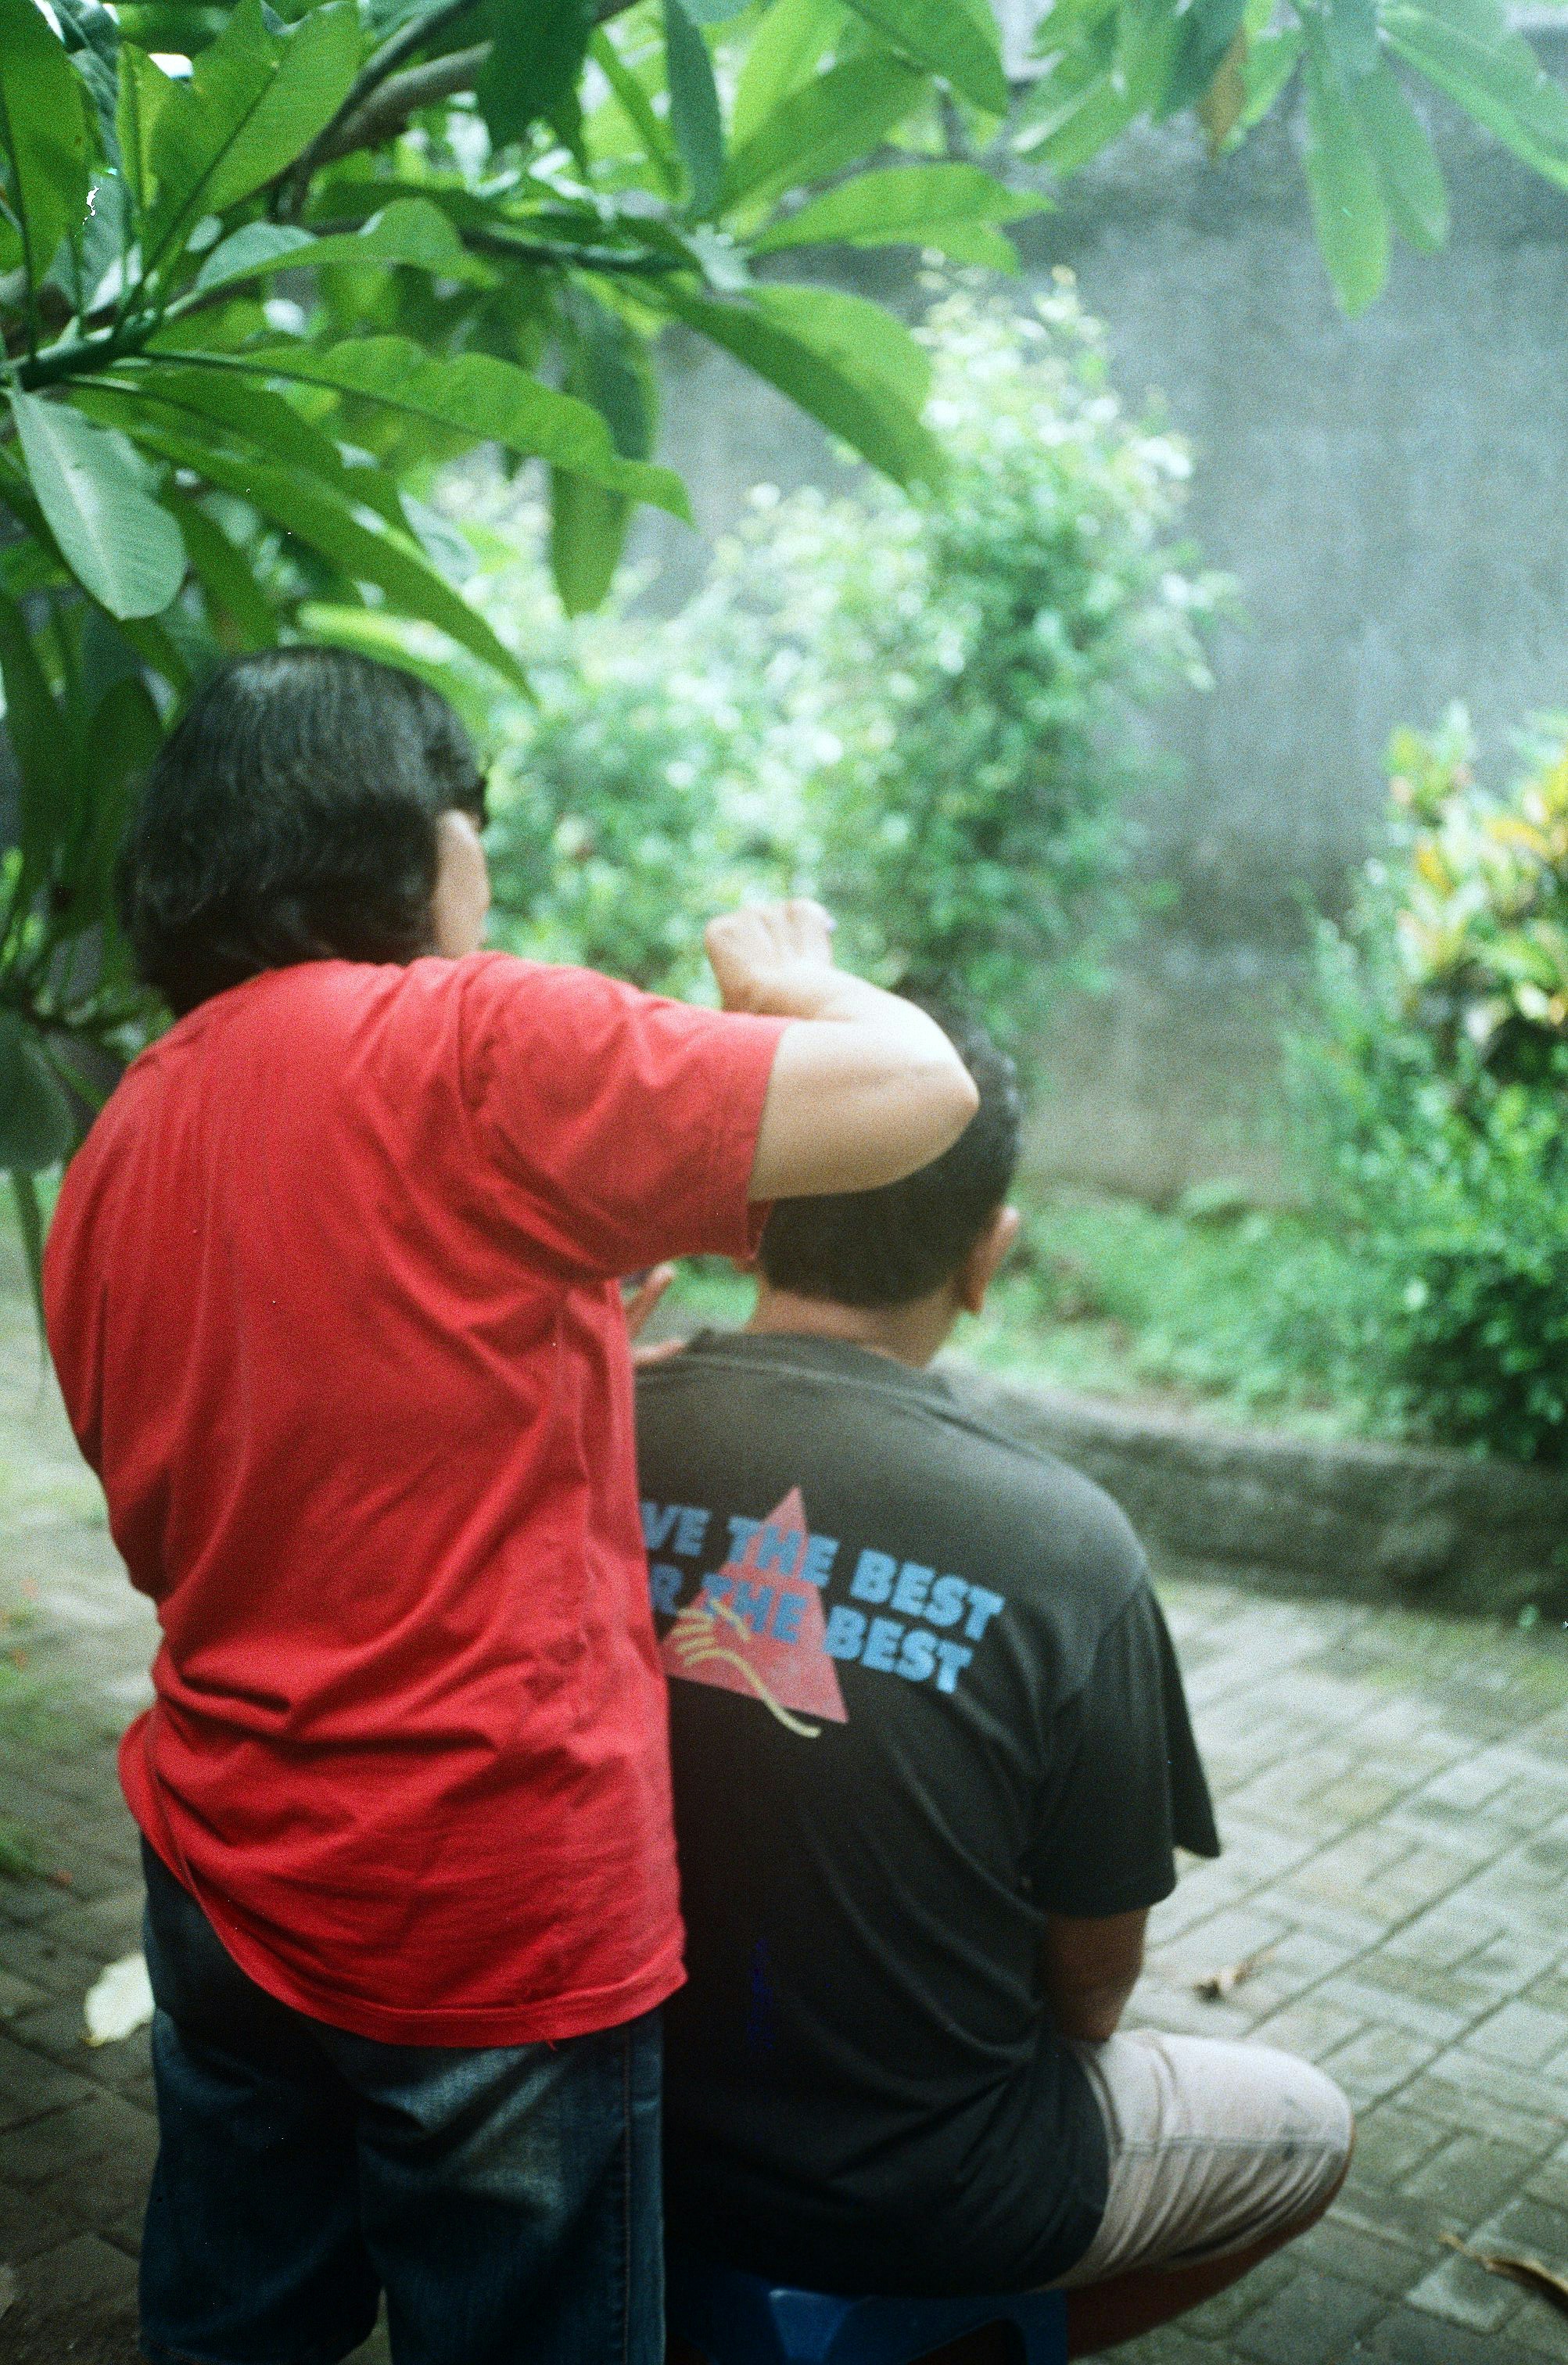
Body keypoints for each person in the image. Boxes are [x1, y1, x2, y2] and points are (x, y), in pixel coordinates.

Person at [41, 646, 980, 2365]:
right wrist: (788, 983)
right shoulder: (468, 1039)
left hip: (229, 1873)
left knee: (235, 2332)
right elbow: (921, 1100)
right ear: (410, 830)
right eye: (474, 812)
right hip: (483, 1902)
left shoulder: (118, 1140)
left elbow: (202, 1501)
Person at [636, 1007, 1353, 2358]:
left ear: (752, 1215)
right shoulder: (1065, 1543)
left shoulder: (582, 1420)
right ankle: (967, 2336)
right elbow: (1091, 1989)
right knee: (1308, 2132)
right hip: (922, 2188)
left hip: (588, 2119)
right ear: (988, 1256)